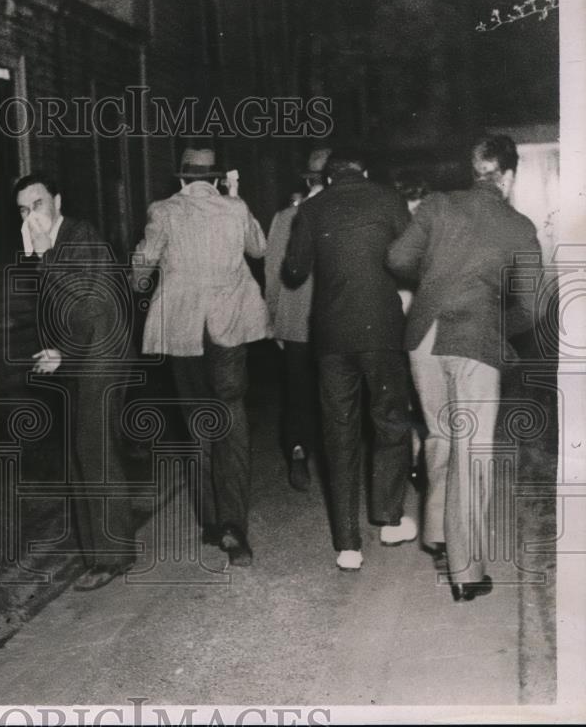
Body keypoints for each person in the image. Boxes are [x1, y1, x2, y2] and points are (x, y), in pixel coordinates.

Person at [387, 135, 541, 602]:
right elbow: (532, 308)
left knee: (439, 436)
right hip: (474, 342)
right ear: (509, 175)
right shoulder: (519, 226)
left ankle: (437, 534)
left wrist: (434, 280)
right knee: (473, 451)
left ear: (475, 170)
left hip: (423, 338)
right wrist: (495, 325)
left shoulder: (437, 205)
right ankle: (466, 572)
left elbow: (396, 258)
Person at [133, 148, 268, 567]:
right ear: (214, 178)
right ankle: (234, 526)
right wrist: (235, 193)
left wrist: (140, 284)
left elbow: (142, 265)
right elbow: (260, 250)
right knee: (231, 419)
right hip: (228, 328)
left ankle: (209, 520)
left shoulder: (165, 210)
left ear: (181, 180)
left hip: (183, 331)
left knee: (196, 422)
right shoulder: (234, 207)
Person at [283, 147, 415, 571]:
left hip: (332, 337)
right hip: (382, 331)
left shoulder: (313, 207)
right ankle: (390, 519)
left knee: (337, 433)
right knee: (390, 420)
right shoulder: (388, 199)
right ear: (364, 169)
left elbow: (295, 272)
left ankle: (348, 545)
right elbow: (410, 259)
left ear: (327, 175)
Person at [15, 174, 137, 591]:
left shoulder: (78, 237)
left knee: (96, 455)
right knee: (85, 456)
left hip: (100, 358)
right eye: (24, 210)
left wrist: (63, 353)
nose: (32, 215)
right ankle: (101, 553)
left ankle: (112, 557)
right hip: (88, 358)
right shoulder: (58, 242)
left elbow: (92, 304)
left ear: (57, 200)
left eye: (38, 204)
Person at [264, 147, 330, 491]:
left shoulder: (284, 218)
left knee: (297, 393)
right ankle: (333, 461)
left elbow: (273, 273)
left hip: (294, 323)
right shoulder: (342, 215)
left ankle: (298, 449)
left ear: (307, 180)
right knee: (333, 394)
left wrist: (273, 318)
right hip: (334, 323)